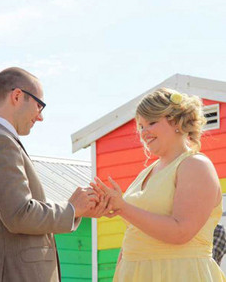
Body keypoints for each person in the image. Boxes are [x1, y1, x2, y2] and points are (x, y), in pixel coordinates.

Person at [0, 67, 101, 282]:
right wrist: (71, 209)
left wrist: (79, 209)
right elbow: (19, 214)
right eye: (39, 105)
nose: (41, 116)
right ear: (17, 96)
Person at [92, 88, 226, 281]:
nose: (144, 132)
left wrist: (123, 207)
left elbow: (181, 232)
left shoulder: (195, 165)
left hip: (179, 274)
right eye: (140, 127)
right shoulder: (147, 172)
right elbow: (133, 234)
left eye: (151, 123)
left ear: (176, 122)